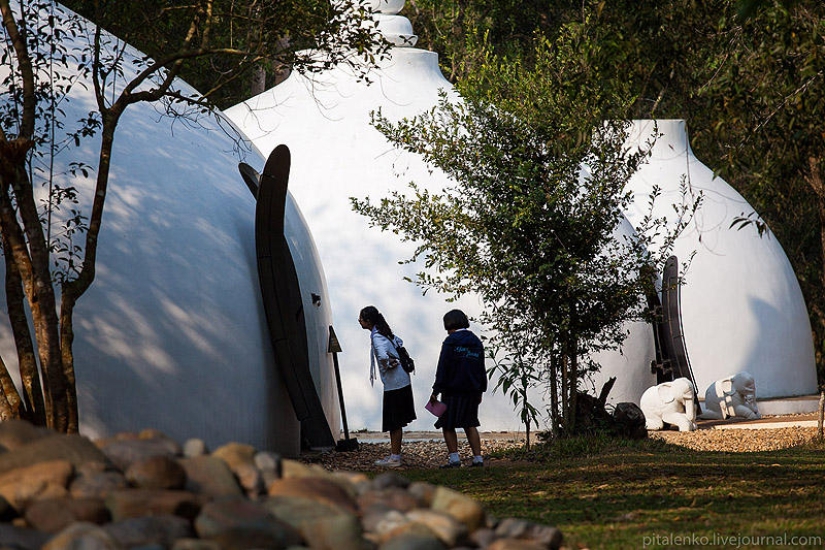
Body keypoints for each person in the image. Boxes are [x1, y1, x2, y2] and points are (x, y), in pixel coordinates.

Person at [359, 305, 416, 468]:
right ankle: (394, 455)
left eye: (361, 319)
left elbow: (383, 356)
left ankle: (395, 458)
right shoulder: (384, 331)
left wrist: (389, 364)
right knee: (396, 422)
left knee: (394, 423)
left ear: (368, 321)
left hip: (394, 384)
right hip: (402, 380)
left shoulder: (377, 337)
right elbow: (399, 342)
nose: (359, 321)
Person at [429, 309, 487, 468]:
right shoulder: (476, 341)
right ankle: (478, 458)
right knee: (470, 423)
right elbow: (481, 367)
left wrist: (436, 390)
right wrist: (481, 389)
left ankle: (454, 458)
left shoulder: (450, 341)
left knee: (447, 424)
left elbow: (443, 367)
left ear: (448, 324)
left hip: (452, 390)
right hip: (472, 390)